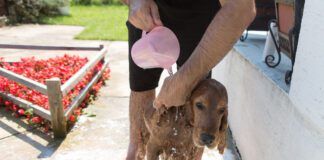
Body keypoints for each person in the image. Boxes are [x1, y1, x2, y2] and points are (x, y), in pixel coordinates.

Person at [123, 0, 256, 159]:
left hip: (198, 16)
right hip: (147, 14)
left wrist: (185, 80)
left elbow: (241, 8)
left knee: (200, 93)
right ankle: (135, 152)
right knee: (141, 87)